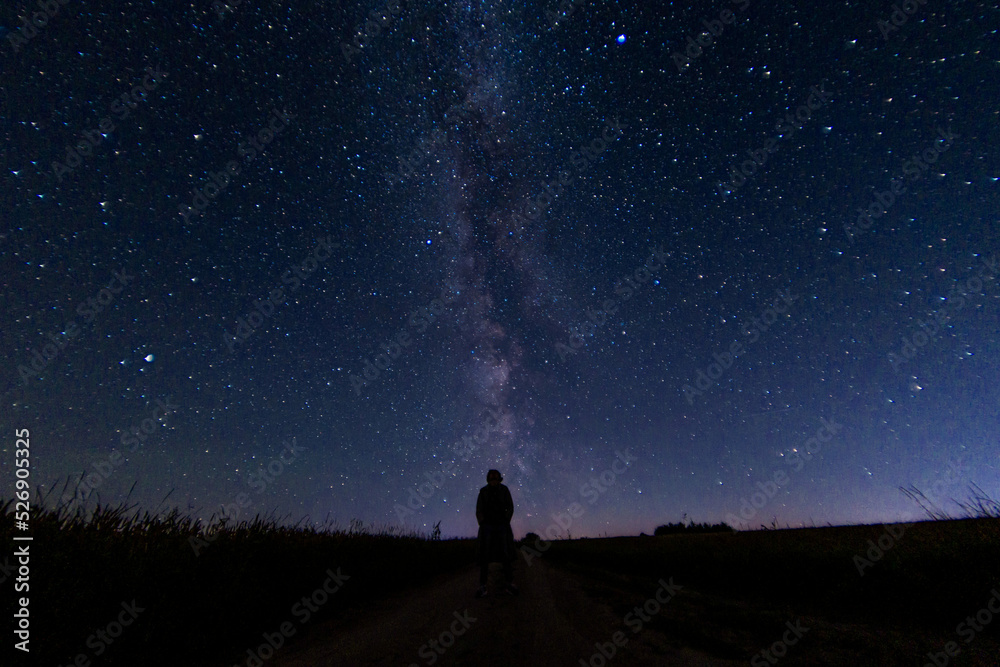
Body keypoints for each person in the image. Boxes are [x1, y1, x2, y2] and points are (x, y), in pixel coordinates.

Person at [475, 469, 518, 597]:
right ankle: (483, 586)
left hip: (501, 526)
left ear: (499, 479)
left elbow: (510, 507)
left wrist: (505, 521)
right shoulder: (483, 491)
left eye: (496, 478)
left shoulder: (504, 490)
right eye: (491, 478)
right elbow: (479, 509)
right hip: (487, 527)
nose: (493, 480)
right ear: (488, 479)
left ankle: (509, 584)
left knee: (505, 554)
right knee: (485, 555)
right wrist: (482, 523)